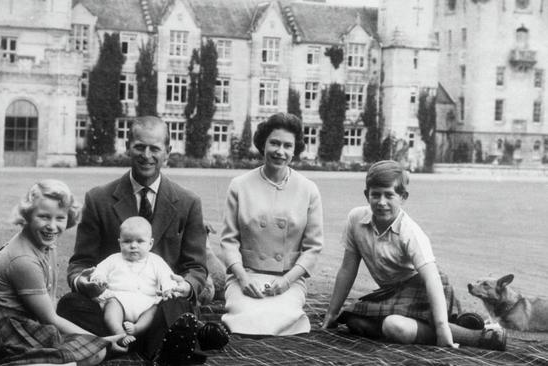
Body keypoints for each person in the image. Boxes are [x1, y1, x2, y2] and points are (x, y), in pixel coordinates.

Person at [57, 116, 228, 365]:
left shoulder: (188, 202)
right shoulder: (99, 199)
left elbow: (197, 268)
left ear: (167, 152)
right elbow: (80, 263)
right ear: (128, 146)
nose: (146, 155)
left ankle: (129, 344)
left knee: (180, 306)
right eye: (139, 146)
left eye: (155, 148)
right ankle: (164, 344)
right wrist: (85, 282)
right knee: (70, 305)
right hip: (111, 307)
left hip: (161, 306)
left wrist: (186, 286)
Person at [0, 179, 126, 366]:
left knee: (88, 351)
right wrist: (102, 339)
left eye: (60, 218)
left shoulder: (47, 245)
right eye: (43, 217)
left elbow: (50, 301)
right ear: (27, 215)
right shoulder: (23, 260)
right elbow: (50, 318)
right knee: (92, 352)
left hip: (17, 319)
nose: (52, 226)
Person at [321, 160, 507, 351]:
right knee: (353, 320)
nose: (381, 202)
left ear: (403, 197)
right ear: (366, 195)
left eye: (389, 195)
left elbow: (432, 279)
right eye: (375, 195)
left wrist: (442, 328)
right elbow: (347, 269)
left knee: (393, 326)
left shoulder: (410, 232)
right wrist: (332, 313)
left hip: (425, 288)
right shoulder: (356, 219)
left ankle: (476, 335)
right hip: (392, 293)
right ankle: (458, 323)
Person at [220, 112, 324, 336]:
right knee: (247, 318)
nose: (280, 151)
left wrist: (287, 281)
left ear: (295, 150)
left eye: (287, 145)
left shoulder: (308, 189)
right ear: (262, 144)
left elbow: (313, 248)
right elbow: (229, 241)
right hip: (246, 275)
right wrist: (243, 277)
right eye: (274, 143)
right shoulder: (239, 186)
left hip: (288, 279)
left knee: (281, 319)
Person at [90, 216, 177, 347]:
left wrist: (168, 288)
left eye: (140, 241)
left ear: (150, 243)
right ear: (119, 242)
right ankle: (119, 333)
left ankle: (137, 329)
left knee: (154, 310)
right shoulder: (114, 259)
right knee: (111, 307)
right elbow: (100, 270)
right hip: (119, 300)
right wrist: (99, 278)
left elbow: (167, 276)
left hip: (146, 302)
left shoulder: (156, 261)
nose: (133, 246)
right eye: (127, 241)